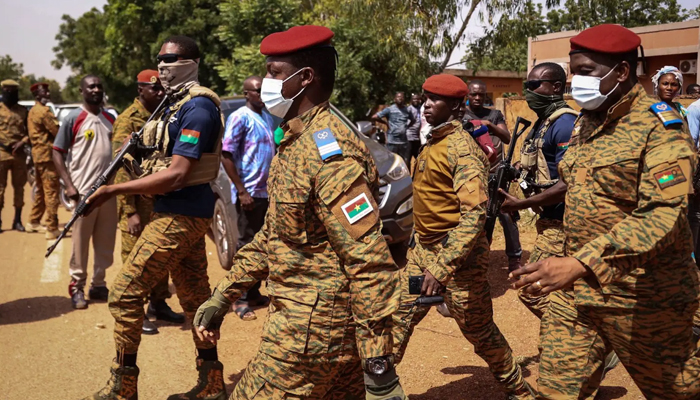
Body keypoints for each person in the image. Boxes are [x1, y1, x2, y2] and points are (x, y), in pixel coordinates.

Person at [193, 25, 406, 400]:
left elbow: (369, 261)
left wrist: (378, 365)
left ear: (304, 78)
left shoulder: (329, 152)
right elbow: (274, 235)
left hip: (310, 335)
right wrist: (223, 295)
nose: (266, 81)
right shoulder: (296, 140)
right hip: (313, 325)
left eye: (275, 73)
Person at [511, 24, 700, 399]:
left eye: (585, 71)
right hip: (579, 294)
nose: (574, 82)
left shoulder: (664, 128)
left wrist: (581, 262)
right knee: (555, 392)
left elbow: (664, 213)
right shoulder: (586, 121)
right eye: (572, 71)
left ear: (622, 72)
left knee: (678, 392)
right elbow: (576, 182)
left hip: (644, 297)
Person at [82, 36, 225, 400]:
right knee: (194, 299)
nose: (162, 65)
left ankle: (123, 387)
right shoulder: (172, 106)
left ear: (192, 61)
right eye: (159, 58)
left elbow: (178, 173)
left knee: (125, 294)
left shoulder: (198, 109)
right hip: (176, 211)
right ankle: (211, 384)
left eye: (171, 59)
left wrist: (113, 191)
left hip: (181, 214)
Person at [391, 73, 534, 400]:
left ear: (456, 106)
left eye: (434, 100)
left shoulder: (461, 149)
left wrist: (441, 270)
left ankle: (520, 392)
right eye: (425, 98)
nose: (426, 105)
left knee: (481, 333)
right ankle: (378, 388)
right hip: (423, 253)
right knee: (395, 322)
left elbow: (473, 217)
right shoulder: (434, 141)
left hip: (459, 262)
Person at [500, 62, 577, 318]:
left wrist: (519, 205)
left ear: (556, 87)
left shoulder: (565, 124)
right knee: (564, 291)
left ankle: (575, 337)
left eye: (534, 85)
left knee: (530, 289)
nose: (529, 91)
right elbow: (542, 165)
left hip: (561, 223)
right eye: (527, 86)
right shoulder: (542, 123)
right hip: (547, 220)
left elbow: (568, 183)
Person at [111, 69, 184, 336]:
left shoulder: (162, 115)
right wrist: (130, 211)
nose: (160, 93)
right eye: (154, 89)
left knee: (159, 254)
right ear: (140, 89)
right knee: (134, 258)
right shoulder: (127, 120)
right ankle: (135, 311)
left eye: (162, 89)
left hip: (156, 199)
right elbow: (119, 167)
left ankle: (159, 302)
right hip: (135, 204)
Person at [52, 75, 117, 310]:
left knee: (106, 242)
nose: (96, 89)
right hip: (82, 194)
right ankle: (77, 285)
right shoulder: (73, 118)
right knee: (80, 243)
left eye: (99, 86)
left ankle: (98, 284)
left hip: (109, 193)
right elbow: (57, 152)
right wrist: (69, 186)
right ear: (82, 91)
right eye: (91, 86)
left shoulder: (111, 118)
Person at [221, 75, 275, 321]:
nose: (263, 94)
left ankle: (253, 292)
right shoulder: (239, 117)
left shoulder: (266, 117)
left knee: (261, 245)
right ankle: (239, 299)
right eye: (258, 90)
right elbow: (227, 155)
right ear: (247, 93)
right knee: (245, 246)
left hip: (266, 193)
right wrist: (241, 190)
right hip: (249, 193)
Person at [464, 79, 523, 271]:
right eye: (474, 94)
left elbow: (506, 137)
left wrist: (489, 125)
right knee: (476, 217)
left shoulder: (494, 114)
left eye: (482, 94)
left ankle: (514, 259)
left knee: (506, 215)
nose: (478, 97)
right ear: (468, 94)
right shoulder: (461, 115)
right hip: (471, 175)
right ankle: (478, 257)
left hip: (496, 173)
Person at [26, 82, 61, 238]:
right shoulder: (44, 111)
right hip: (47, 156)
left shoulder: (32, 111)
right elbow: (57, 132)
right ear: (37, 95)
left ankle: (33, 221)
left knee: (40, 190)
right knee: (52, 192)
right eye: (45, 92)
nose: (48, 94)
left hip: (38, 156)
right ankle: (52, 227)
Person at [0, 79, 29, 232]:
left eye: (14, 91)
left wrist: (22, 142)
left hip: (18, 155)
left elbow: (29, 133)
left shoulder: (23, 111)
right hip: (1, 154)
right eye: (8, 91)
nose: (11, 94)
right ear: (3, 91)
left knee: (19, 188)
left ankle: (17, 220)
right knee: (0, 189)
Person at [372, 91, 416, 166]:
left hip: (403, 142)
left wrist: (406, 127)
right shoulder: (389, 109)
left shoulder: (407, 110)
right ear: (394, 99)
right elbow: (374, 117)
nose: (400, 99)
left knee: (404, 163)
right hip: (392, 141)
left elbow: (413, 120)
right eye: (398, 97)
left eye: (402, 97)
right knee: (390, 162)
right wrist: (385, 123)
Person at [407, 93, 422, 163]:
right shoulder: (409, 109)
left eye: (417, 99)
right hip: (409, 137)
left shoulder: (420, 108)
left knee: (419, 158)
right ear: (411, 100)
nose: (415, 100)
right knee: (408, 158)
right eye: (414, 99)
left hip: (417, 137)